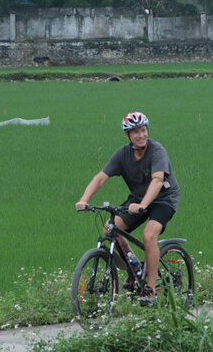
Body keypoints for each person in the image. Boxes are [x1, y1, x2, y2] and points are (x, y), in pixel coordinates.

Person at [75, 111, 180, 306]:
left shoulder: (157, 151)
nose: (141, 135)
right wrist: (84, 199)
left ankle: (150, 289)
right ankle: (134, 268)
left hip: (163, 199)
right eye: (135, 132)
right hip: (137, 201)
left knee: (149, 236)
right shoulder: (123, 154)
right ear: (128, 136)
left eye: (143, 130)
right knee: (110, 229)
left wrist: (142, 206)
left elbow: (157, 181)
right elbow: (100, 178)